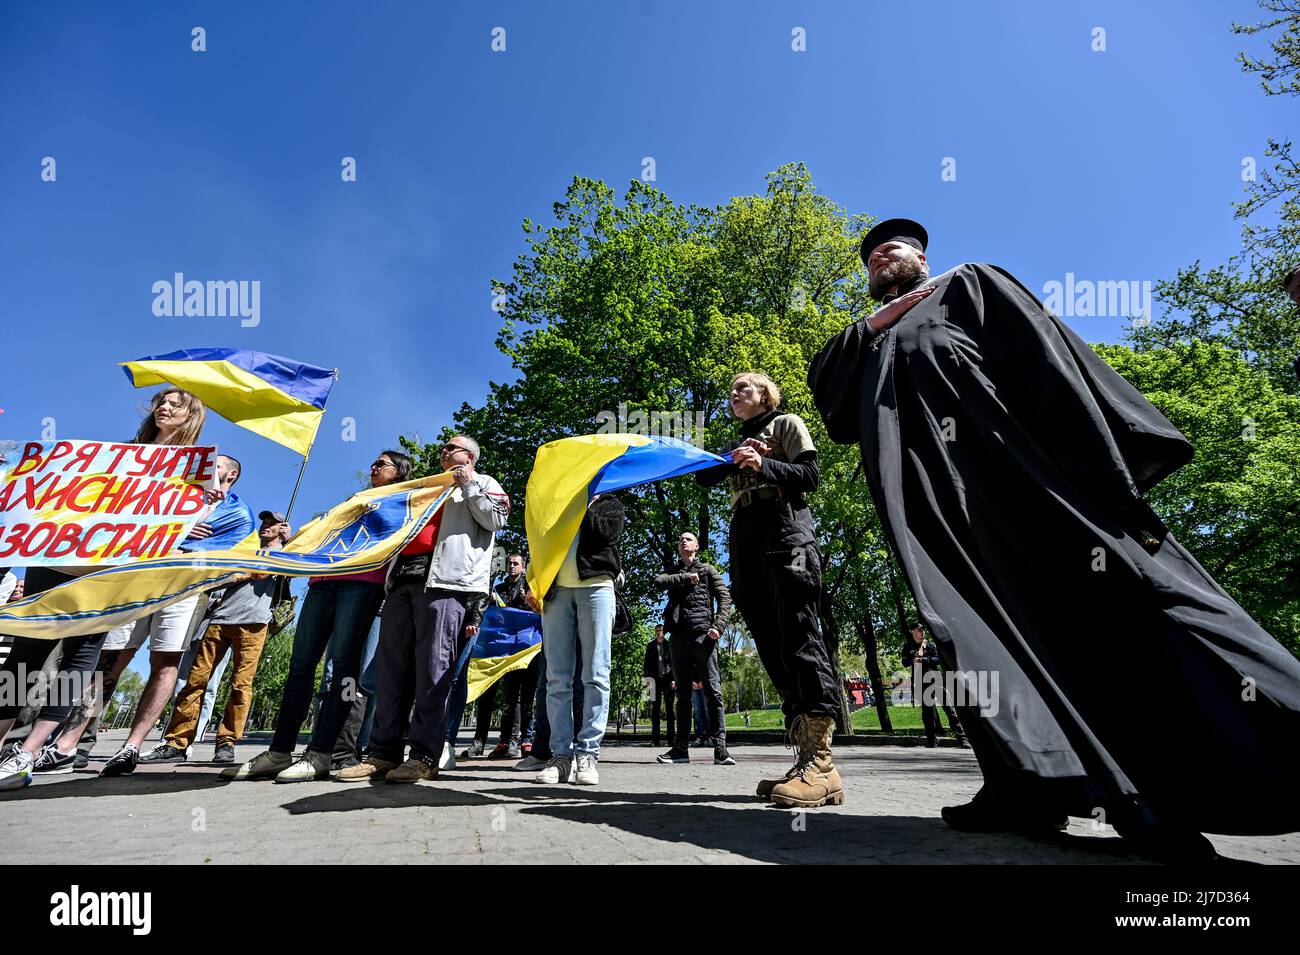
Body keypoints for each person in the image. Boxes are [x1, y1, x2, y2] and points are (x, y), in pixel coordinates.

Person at [808, 217, 1300, 859]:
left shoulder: (970, 284)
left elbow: (1047, 361)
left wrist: (1097, 473)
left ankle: (1153, 797)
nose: (880, 257)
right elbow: (834, 401)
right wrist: (876, 322)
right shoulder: (866, 341)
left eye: (892, 248)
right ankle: (1022, 786)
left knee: (1106, 614)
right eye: (870, 256)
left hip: (1023, 490)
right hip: (938, 520)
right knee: (974, 642)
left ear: (923, 255)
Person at [0, 388, 213, 789]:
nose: (164, 407)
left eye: (175, 403)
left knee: (79, 657)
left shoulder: (193, 471)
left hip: (109, 574)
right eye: (161, 401)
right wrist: (12, 471)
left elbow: (181, 522)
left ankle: (27, 753)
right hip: (55, 557)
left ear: (191, 416)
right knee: (26, 654)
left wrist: (191, 518)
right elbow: (52, 485)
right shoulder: (111, 453)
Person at [695, 372, 842, 808]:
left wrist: (763, 464)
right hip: (745, 536)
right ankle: (806, 760)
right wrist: (733, 457)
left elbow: (810, 476)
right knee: (770, 643)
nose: (735, 394)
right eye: (731, 391)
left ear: (766, 395)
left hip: (785, 531)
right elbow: (704, 478)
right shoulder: (736, 444)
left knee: (798, 635)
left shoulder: (786, 424)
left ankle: (823, 763)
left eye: (744, 387)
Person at [222, 450, 409, 782]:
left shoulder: (403, 502)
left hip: (363, 584)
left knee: (342, 667)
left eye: (382, 464)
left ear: (400, 472)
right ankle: (279, 751)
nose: (373, 467)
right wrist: (297, 536)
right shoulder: (352, 501)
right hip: (322, 582)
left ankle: (322, 753)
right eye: (374, 462)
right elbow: (324, 530)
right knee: (301, 663)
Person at [337, 435, 509, 783]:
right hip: (402, 582)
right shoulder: (426, 486)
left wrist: (470, 485)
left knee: (433, 671)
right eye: (443, 447)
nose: (444, 451)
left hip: (445, 585)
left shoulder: (486, 483)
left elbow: (496, 520)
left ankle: (424, 755)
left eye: (453, 448)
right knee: (390, 671)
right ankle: (382, 754)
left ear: (471, 456)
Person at [95, 453, 254, 776]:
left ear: (232, 474)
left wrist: (182, 541)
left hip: (185, 590)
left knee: (167, 664)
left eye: (218, 463)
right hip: (140, 582)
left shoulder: (238, 513)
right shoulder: (171, 497)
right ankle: (75, 741)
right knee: (111, 656)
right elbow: (133, 527)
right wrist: (178, 527)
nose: (209, 465)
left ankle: (132, 746)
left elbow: (231, 555)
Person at [141, 512, 292, 763]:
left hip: (255, 623)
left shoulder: (285, 553)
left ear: (282, 528)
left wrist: (287, 544)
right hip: (220, 619)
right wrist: (242, 573)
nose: (265, 526)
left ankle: (227, 742)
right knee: (195, 681)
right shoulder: (245, 549)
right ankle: (177, 741)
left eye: (272, 524)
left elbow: (268, 574)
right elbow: (223, 574)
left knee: (240, 684)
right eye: (264, 522)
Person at [533, 491, 624, 786]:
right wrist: (532, 580)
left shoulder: (610, 504)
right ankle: (560, 756)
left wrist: (583, 503)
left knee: (596, 674)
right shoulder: (555, 502)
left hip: (597, 588)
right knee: (556, 678)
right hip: (556, 591)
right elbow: (540, 541)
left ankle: (588, 753)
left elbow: (604, 533)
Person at [654, 531, 733, 766]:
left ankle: (721, 749)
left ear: (696, 546)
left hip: (703, 637)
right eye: (680, 539)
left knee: (713, 692)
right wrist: (686, 578)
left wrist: (718, 626)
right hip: (678, 637)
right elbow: (659, 582)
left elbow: (725, 598)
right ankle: (680, 750)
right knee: (683, 695)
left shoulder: (708, 570)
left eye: (688, 538)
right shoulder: (674, 571)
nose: (683, 540)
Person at [905, 623, 967, 748]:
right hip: (921, 681)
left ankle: (962, 739)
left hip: (936, 679)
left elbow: (938, 659)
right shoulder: (908, 647)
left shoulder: (930, 645)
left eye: (923, 630)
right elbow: (904, 662)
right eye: (919, 630)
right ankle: (931, 740)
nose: (922, 632)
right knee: (927, 713)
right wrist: (913, 659)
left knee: (949, 710)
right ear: (913, 631)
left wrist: (924, 660)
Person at [643, 624, 674, 747]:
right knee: (655, 710)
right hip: (653, 681)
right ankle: (655, 740)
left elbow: (673, 664)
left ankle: (671, 740)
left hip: (667, 680)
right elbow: (646, 665)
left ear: (664, 632)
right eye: (657, 630)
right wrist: (647, 681)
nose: (659, 632)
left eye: (661, 630)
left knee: (670, 710)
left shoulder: (669, 645)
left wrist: (674, 680)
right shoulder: (650, 646)